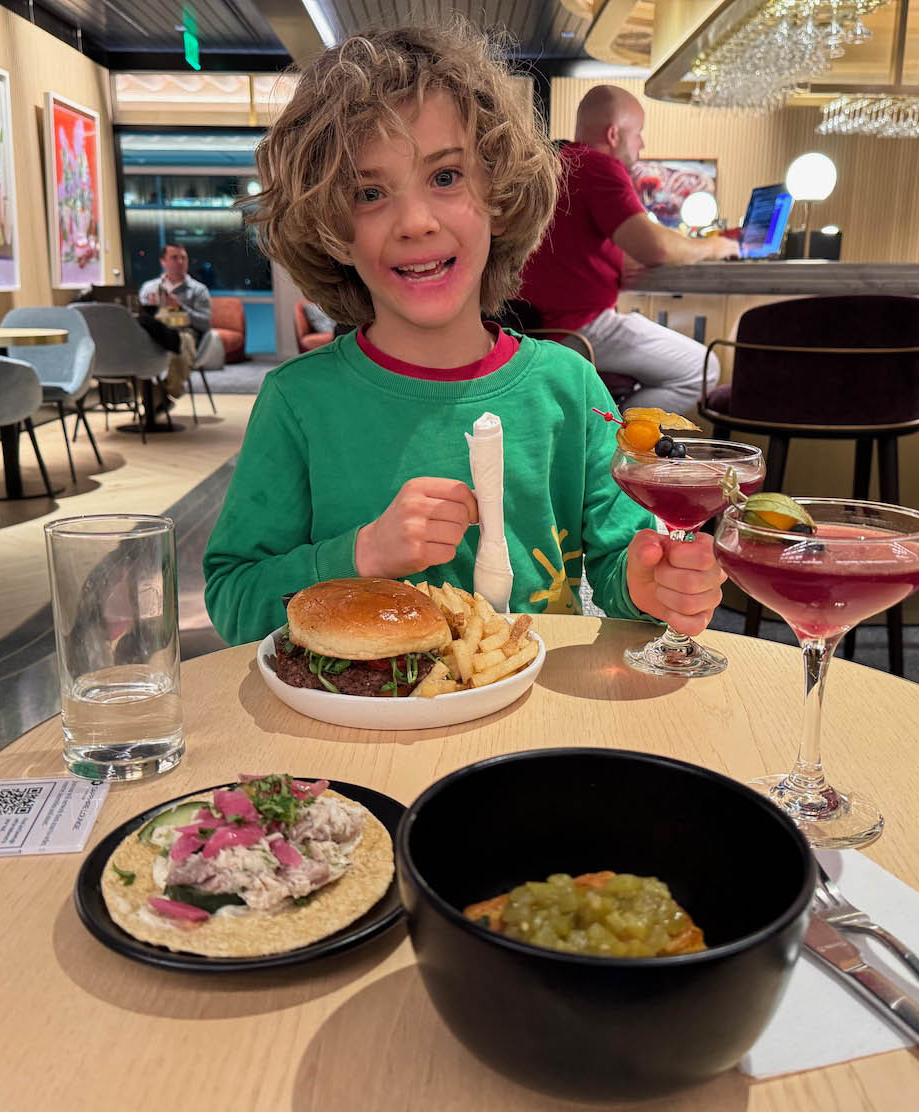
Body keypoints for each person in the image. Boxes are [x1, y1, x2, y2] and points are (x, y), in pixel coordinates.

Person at [201, 23, 725, 649]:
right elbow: (234, 600)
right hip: (360, 731)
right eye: (370, 194)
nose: (416, 222)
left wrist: (651, 586)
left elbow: (619, 564)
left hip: (537, 727)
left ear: (499, 194)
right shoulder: (298, 402)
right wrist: (359, 553)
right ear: (331, 227)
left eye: (445, 177)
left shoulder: (569, 387)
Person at [517, 85, 741, 415]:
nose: (642, 144)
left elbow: (578, 245)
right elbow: (658, 249)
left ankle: (605, 432)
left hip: (535, 326)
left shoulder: (560, 164)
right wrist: (716, 245)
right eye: (638, 134)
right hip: (578, 327)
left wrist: (620, 259)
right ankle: (612, 440)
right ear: (613, 134)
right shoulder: (595, 166)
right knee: (701, 369)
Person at [138, 243, 211, 397]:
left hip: (184, 332)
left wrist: (181, 308)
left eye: (183, 258)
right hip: (154, 334)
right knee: (133, 345)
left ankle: (164, 394)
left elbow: (205, 322)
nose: (180, 262)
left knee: (180, 341)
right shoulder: (149, 288)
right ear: (163, 261)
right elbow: (142, 318)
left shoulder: (198, 290)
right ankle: (155, 397)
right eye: (174, 257)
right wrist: (150, 308)